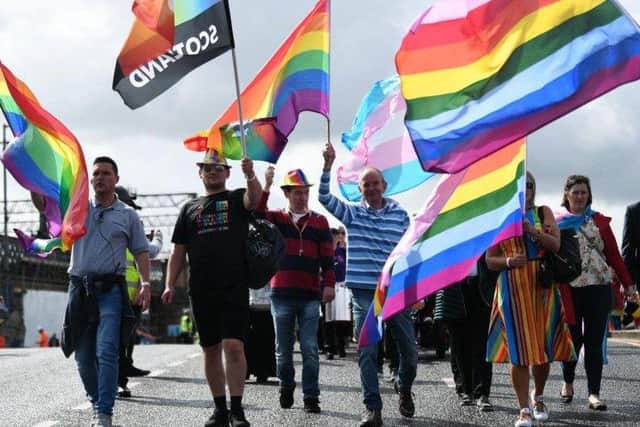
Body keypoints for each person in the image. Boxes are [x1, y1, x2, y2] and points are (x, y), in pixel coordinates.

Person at [32, 156, 151, 427]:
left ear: (116, 180)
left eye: (106, 173)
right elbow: (44, 207)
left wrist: (145, 283)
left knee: (106, 350)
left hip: (111, 290)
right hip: (80, 289)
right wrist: (34, 181)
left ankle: (105, 413)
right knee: (83, 356)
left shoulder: (128, 215)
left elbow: (142, 251)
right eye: (96, 173)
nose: (100, 178)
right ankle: (98, 404)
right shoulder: (78, 208)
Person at [320, 142, 416, 427]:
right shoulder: (353, 214)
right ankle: (372, 408)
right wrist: (327, 166)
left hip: (395, 292)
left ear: (384, 185)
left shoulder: (400, 215)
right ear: (360, 189)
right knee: (367, 350)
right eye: (365, 185)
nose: (371, 188)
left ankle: (404, 385)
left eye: (375, 183)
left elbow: (408, 253)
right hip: (363, 293)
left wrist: (414, 291)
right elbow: (324, 197)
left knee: (409, 351)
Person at [162, 149, 261, 427]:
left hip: (234, 285)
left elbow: (255, 198)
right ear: (200, 172)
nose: (213, 171)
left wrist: (251, 173)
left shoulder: (236, 198)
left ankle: (237, 410)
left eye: (218, 167)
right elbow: (178, 251)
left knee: (233, 346)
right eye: (208, 167)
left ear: (228, 172)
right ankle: (220, 409)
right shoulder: (189, 209)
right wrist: (169, 283)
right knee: (210, 349)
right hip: (201, 289)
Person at [486, 172, 575, 427]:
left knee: (543, 349)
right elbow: (489, 260)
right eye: (521, 186)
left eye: (530, 185)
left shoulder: (543, 212)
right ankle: (523, 408)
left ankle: (539, 396)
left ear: (534, 189)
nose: (526, 189)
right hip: (512, 287)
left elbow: (556, 245)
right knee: (519, 351)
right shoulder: (502, 216)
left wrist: (533, 232)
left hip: (542, 286)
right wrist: (509, 261)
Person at [258, 166, 335, 414]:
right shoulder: (277, 219)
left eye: (305, 192)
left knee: (311, 349)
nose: (302, 197)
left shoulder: (320, 221)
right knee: (283, 350)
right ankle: (286, 385)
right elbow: (257, 214)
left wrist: (330, 285)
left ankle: (311, 396)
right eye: (297, 193)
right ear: (287, 194)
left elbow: (327, 257)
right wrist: (267, 185)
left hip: (310, 295)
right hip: (281, 294)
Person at [557, 175, 637, 411]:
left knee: (593, 342)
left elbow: (614, 255)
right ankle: (568, 381)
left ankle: (594, 393)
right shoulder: (557, 221)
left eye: (584, 192)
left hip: (599, 287)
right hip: (569, 289)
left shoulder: (599, 221)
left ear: (588, 195)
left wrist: (629, 285)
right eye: (576, 192)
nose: (580, 196)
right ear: (567, 195)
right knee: (572, 340)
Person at [115, 185, 163, 398]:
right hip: (123, 293)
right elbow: (150, 251)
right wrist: (159, 238)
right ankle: (118, 378)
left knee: (120, 340)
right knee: (119, 340)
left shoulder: (107, 222)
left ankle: (120, 375)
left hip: (122, 293)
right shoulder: (131, 224)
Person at [434, 257, 495, 411]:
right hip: (455, 287)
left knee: (482, 343)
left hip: (481, 287)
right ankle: (465, 390)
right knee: (459, 342)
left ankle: (482, 393)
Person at [324, 227, 351, 360]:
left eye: (338, 235)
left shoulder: (343, 252)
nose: (336, 238)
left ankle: (341, 347)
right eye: (333, 236)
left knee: (341, 319)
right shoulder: (326, 252)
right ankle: (330, 348)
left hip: (341, 286)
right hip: (328, 286)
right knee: (329, 320)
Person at [245, 285, 276, 383]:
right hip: (249, 302)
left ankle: (262, 371)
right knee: (248, 339)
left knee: (265, 339)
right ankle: (247, 370)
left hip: (267, 303)